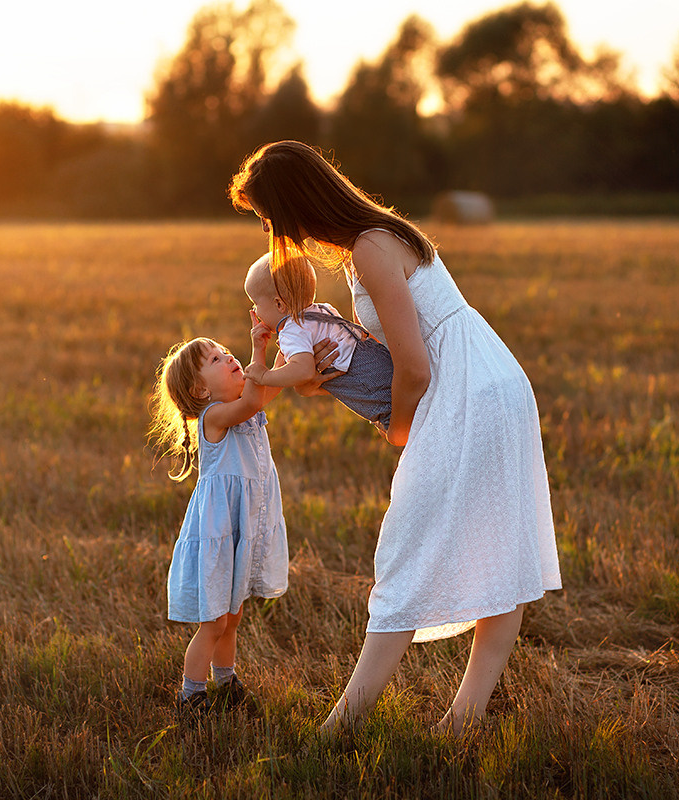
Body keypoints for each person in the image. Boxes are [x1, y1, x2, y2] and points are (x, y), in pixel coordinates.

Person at [229, 140, 561, 735]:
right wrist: (325, 376)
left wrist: (400, 429)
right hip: (484, 382)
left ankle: (344, 726)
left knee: (409, 550)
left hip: (468, 394)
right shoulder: (370, 241)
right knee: (493, 552)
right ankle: (460, 724)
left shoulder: (371, 248)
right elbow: (389, 351)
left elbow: (415, 367)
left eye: (267, 218)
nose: (271, 233)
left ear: (293, 205)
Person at [147, 319, 286, 718]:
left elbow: (272, 385)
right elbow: (254, 401)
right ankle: (191, 696)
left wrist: (290, 341)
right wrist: (258, 352)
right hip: (220, 532)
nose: (229, 357)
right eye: (215, 359)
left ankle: (226, 681)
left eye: (226, 352)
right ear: (201, 391)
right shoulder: (215, 416)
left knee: (233, 616)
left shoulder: (241, 407)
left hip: (241, 528)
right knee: (214, 623)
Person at [243, 251, 392, 428]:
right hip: (383, 364)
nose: (255, 311)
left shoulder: (292, 330)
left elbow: (303, 370)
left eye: (256, 304)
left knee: (396, 423)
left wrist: (264, 376)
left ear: (279, 304)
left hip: (373, 388)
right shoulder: (324, 310)